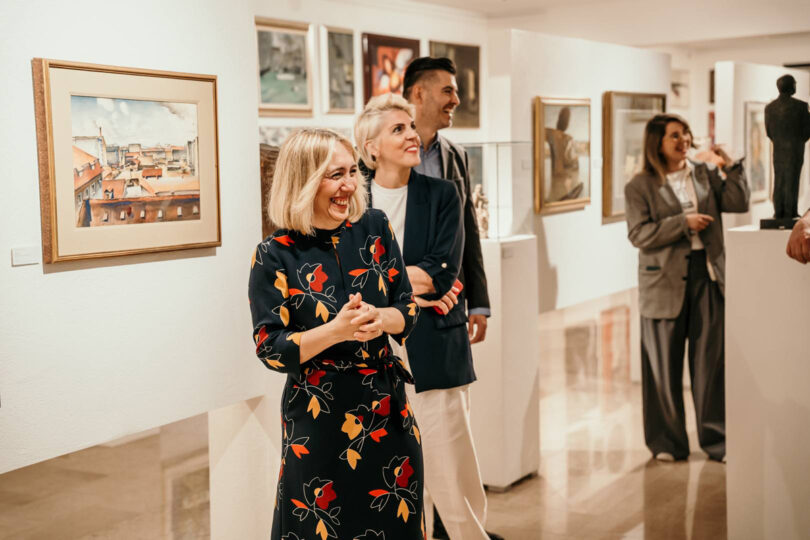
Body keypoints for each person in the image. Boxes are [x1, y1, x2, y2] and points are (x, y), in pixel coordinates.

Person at [248, 128, 424, 539]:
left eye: (352, 172)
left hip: (388, 412)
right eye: (335, 175)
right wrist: (335, 331)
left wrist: (381, 319)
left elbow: (408, 309)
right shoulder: (275, 254)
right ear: (304, 181)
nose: (349, 185)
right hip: (319, 422)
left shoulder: (375, 227)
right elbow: (270, 347)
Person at [354, 93, 498, 540]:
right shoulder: (352, 199)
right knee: (387, 483)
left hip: (434, 347)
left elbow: (441, 273)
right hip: (369, 355)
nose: (412, 135)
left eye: (412, 127)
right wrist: (406, 284)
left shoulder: (443, 194)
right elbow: (343, 275)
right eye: (398, 129)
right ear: (371, 146)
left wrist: (377, 282)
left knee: (453, 477)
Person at [403, 57, 501, 540]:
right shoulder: (372, 158)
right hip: (398, 310)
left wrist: (478, 301)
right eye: (447, 90)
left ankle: (455, 529)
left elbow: (469, 231)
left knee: (453, 434)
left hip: (447, 307)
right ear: (418, 93)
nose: (456, 100)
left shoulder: (455, 156)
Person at [625, 114, 749, 463]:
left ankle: (717, 441)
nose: (684, 141)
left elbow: (738, 202)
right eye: (674, 136)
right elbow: (638, 234)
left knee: (710, 364)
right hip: (661, 282)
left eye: (685, 134)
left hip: (707, 276)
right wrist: (684, 223)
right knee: (662, 366)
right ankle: (667, 443)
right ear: (657, 143)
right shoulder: (639, 186)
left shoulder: (704, 172)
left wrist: (731, 166)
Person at [765, 74, 810, 219]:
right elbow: (807, 131)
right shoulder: (801, 106)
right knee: (792, 180)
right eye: (794, 84)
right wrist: (797, 140)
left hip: (778, 150)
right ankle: (790, 212)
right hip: (795, 150)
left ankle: (778, 212)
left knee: (779, 180)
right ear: (791, 86)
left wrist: (780, 140)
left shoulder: (769, 108)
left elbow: (769, 132)